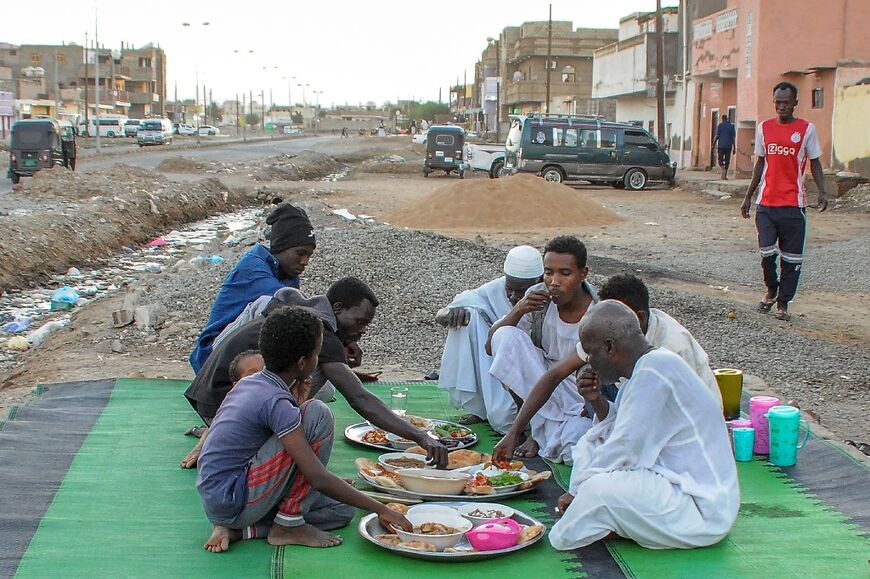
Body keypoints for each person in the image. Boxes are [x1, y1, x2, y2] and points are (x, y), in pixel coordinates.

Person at [196, 306, 411, 553]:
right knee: (317, 414)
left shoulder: (256, 383)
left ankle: (246, 531)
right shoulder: (275, 400)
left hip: (222, 500)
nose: (318, 360)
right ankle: (288, 525)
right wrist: (382, 508)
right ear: (302, 362)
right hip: (234, 498)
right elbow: (317, 478)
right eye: (317, 354)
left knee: (343, 509)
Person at [183, 278, 449, 468]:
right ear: (337, 309)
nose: (362, 330)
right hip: (219, 404)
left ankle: (218, 431)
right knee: (316, 413)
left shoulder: (303, 313)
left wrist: (340, 343)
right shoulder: (321, 332)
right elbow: (359, 398)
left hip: (207, 396)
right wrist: (420, 436)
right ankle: (225, 437)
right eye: (359, 322)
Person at [548, 301, 739, 550]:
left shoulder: (654, 372)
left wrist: (579, 492)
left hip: (701, 509)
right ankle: (608, 521)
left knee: (598, 487)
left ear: (609, 347)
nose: (589, 363)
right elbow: (620, 430)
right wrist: (596, 399)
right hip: (677, 488)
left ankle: (566, 533)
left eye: (590, 354)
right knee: (588, 447)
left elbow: (626, 447)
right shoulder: (649, 367)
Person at [492, 273, 722, 467]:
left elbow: (650, 431)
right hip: (635, 424)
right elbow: (554, 376)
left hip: (684, 443)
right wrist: (515, 432)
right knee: (585, 448)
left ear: (638, 318)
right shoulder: (611, 332)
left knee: (600, 469)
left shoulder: (671, 351)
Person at [485, 236, 598, 463]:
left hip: (578, 392)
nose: (554, 282)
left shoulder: (599, 310)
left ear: (583, 274)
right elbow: (491, 345)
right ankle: (533, 428)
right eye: (548, 273)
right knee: (505, 335)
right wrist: (518, 310)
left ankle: (540, 434)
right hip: (541, 380)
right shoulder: (538, 297)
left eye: (565, 273)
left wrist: (594, 399)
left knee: (574, 448)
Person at [189, 203, 317, 373]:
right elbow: (291, 309)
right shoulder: (253, 268)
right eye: (300, 253)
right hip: (213, 354)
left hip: (243, 349)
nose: (305, 261)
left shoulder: (288, 273)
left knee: (323, 388)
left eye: (309, 255)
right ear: (281, 248)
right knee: (270, 305)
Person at [740, 82, 828, 321]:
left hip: (793, 206)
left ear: (795, 103)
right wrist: (748, 197)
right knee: (767, 253)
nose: (781, 107)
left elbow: (815, 163)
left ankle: (783, 304)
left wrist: (822, 191)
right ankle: (771, 289)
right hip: (766, 204)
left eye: (786, 102)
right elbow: (760, 164)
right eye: (777, 102)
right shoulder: (764, 128)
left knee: (792, 259)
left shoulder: (807, 130)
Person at [436, 245, 544, 433]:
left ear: (539, 281)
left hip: (538, 371)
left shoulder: (552, 295)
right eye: (509, 289)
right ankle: (479, 407)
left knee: (503, 420)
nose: (512, 296)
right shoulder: (495, 289)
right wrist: (450, 314)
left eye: (520, 292)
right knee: (469, 313)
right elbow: (442, 314)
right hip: (498, 366)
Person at [181, 350, 264, 469]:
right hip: (210, 401)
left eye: (266, 372)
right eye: (254, 374)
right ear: (236, 385)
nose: (262, 377)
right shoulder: (240, 406)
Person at [712, 114, 736, 180]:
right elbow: (733, 137)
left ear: (722, 119)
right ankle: (724, 175)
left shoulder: (720, 126)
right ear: (727, 119)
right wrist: (734, 147)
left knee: (720, 160)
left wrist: (713, 144)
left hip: (721, 146)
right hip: (729, 146)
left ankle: (723, 169)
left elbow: (717, 136)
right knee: (727, 160)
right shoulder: (732, 126)